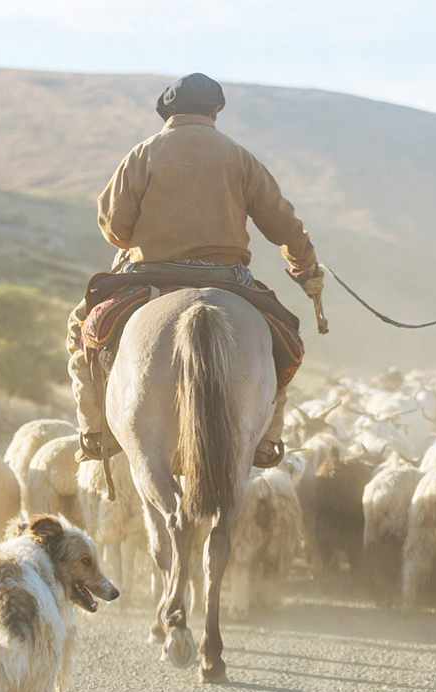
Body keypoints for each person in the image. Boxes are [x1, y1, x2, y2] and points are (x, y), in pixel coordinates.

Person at [67, 72, 324, 468]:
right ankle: (266, 437)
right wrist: (304, 266)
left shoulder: (143, 154)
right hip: (227, 279)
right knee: (283, 340)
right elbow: (283, 224)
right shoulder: (240, 158)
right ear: (216, 110)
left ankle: (95, 431)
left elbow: (114, 228)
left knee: (81, 327)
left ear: (167, 111)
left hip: (150, 275)